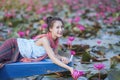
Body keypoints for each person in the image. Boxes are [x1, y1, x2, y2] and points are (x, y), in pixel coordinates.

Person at [0, 16, 81, 79]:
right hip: (14, 45)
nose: (61, 29)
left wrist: (62, 58)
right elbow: (53, 58)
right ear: (50, 29)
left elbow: (55, 55)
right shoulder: (45, 40)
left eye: (62, 27)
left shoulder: (56, 40)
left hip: (20, 53)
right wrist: (70, 68)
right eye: (57, 27)